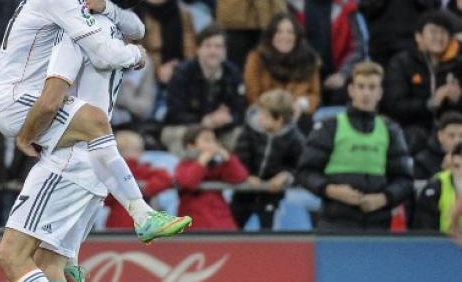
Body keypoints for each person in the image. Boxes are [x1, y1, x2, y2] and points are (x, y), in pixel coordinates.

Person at [3, 0, 169, 282]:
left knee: (11, 255)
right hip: (95, 164)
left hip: (68, 158)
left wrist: (25, 134)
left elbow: (53, 95)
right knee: (51, 262)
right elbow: (136, 30)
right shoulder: (115, 26)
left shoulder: (78, 31)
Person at [0, 0, 189, 248]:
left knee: (31, 260)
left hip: (65, 138)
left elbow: (135, 28)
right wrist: (138, 56)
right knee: (16, 257)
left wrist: (109, 9)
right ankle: (141, 214)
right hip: (23, 104)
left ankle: (132, 220)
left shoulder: (86, 10)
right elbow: (104, 53)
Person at [297, 61, 414, 232]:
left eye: (372, 87)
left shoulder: (390, 130)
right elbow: (305, 172)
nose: (366, 93)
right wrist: (332, 190)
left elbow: (404, 180)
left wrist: (383, 198)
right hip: (334, 224)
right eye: (361, 86)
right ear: (351, 90)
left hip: (378, 225)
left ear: (380, 93)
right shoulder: (330, 126)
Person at [287, 0, 366, 106]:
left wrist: (342, 75)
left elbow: (358, 49)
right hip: (297, 77)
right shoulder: (291, 3)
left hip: (335, 80)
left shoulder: (347, 7)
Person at [383, 10, 462, 155]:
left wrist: (457, 100)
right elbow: (395, 105)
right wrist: (430, 103)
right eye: (433, 32)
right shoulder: (402, 63)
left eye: (443, 32)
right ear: (418, 36)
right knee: (415, 136)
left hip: (451, 131)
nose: (439, 37)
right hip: (414, 128)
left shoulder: (458, 65)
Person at [161, 23, 245, 156]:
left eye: (218, 46)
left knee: (241, 135)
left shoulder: (233, 73)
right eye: (208, 46)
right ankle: (193, 166)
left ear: (225, 51)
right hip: (189, 127)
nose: (213, 51)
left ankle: (226, 165)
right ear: (198, 49)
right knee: (179, 136)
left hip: (221, 129)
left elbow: (240, 112)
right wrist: (204, 121)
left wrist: (229, 119)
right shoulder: (182, 73)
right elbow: (174, 113)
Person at [230, 89, 304, 230]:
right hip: (243, 192)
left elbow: (299, 166)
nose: (259, 118)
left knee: (269, 235)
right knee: (231, 232)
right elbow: (238, 158)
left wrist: (286, 176)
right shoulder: (248, 132)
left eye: (264, 115)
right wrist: (246, 176)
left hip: (271, 196)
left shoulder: (295, 139)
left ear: (279, 119)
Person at [243, 13, 322, 125]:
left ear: (297, 36)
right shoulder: (256, 58)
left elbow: (315, 94)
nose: (284, 36)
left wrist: (300, 104)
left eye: (290, 32)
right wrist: (276, 109)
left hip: (299, 117)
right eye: (279, 32)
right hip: (265, 115)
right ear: (271, 35)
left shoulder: (309, 59)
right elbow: (252, 95)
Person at [174, 124, 249, 230]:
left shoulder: (217, 165)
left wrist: (228, 158)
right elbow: (187, 181)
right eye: (207, 140)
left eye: (214, 140)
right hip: (195, 225)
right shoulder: (184, 165)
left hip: (222, 222)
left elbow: (240, 177)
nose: (212, 144)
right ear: (191, 145)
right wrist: (202, 161)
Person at [134, 0, 196, 89]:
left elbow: (190, 50)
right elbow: (132, 55)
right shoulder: (132, 15)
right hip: (144, 81)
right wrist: (158, 70)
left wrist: (178, 67)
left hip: (179, 77)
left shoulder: (183, 14)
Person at [104, 130, 172, 229]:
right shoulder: (145, 171)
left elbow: (105, 201)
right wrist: (145, 187)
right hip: (141, 224)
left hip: (115, 223)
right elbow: (166, 179)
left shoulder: (110, 173)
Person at [412, 141, 462, 232]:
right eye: (457, 166)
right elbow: (425, 231)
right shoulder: (436, 187)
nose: (460, 172)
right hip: (442, 240)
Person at [413, 110, 462, 180]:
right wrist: (442, 170)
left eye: (461, 135)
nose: (457, 140)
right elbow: (421, 186)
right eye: (451, 135)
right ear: (440, 135)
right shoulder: (422, 161)